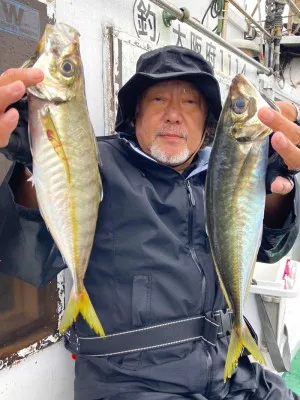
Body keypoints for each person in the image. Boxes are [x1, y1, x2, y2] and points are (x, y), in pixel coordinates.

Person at [0, 46, 299, 400]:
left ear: (207, 124)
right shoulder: (95, 162)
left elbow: (271, 250)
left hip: (232, 373)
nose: (173, 114)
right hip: (130, 385)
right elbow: (27, 261)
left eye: (190, 103)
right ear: (135, 113)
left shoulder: (220, 170)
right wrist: (35, 158)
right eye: (158, 99)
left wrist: (275, 186)